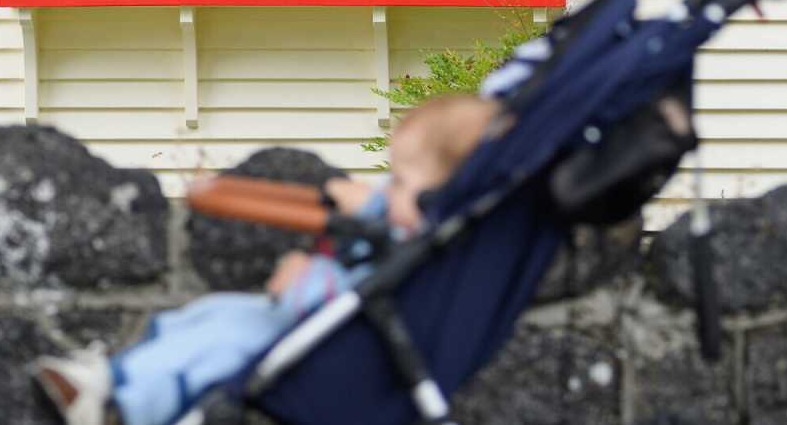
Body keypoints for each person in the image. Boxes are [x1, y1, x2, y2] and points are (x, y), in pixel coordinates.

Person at [34, 94, 500, 425]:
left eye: (398, 181)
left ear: (444, 193)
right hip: (319, 334)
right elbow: (377, 230)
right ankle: (112, 378)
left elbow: (351, 298)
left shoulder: (419, 248)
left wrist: (299, 280)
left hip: (330, 347)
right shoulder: (425, 236)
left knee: (223, 344)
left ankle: (130, 407)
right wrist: (358, 198)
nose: (387, 190)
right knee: (207, 316)